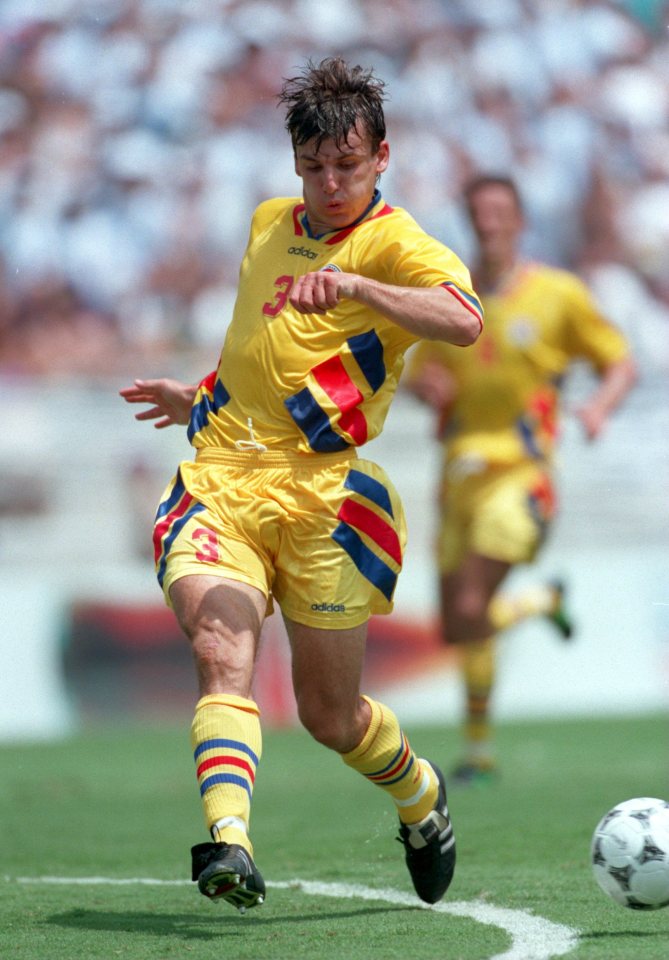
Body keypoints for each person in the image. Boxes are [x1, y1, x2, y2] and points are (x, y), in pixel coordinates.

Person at [120, 57, 483, 912]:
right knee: (222, 654)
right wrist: (198, 395)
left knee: (331, 717)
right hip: (221, 479)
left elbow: (464, 321)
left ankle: (420, 800)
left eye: (347, 167)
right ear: (294, 163)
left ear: (381, 158)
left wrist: (362, 285)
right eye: (314, 166)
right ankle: (229, 844)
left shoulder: (395, 242)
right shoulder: (266, 224)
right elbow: (255, 348)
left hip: (322, 500)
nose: (329, 183)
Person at [404, 174, 636, 786]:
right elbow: (419, 376)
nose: (489, 224)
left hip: (521, 474)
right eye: (478, 213)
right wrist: (426, 390)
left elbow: (619, 359)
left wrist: (598, 408)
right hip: (457, 477)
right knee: (456, 625)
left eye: (500, 212)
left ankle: (478, 751)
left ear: (519, 221)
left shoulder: (557, 294)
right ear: (467, 221)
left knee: (474, 604)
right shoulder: (446, 300)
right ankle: (542, 601)